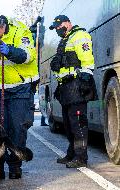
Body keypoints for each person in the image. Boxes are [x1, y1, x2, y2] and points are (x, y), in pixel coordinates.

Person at [0, 14, 38, 179]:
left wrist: (11, 51)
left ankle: (15, 167)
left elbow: (29, 56)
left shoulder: (19, 31)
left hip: (20, 89)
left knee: (17, 129)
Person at [49, 15, 96, 168]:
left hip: (77, 86)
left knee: (78, 124)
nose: (57, 29)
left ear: (68, 23)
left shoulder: (80, 35)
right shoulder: (65, 40)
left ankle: (81, 158)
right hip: (66, 89)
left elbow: (87, 60)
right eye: (55, 27)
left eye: (59, 25)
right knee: (68, 125)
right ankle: (72, 154)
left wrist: (85, 80)